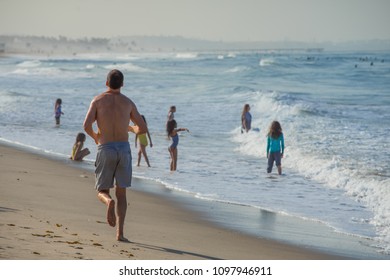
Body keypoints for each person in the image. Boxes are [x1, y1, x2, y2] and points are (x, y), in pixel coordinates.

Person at [83, 69, 147, 242]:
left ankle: (107, 201)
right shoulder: (128, 102)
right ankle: (120, 233)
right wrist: (132, 128)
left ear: (106, 83)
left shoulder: (97, 101)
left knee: (102, 190)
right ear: (122, 84)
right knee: (122, 194)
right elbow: (142, 128)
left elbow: (86, 125)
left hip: (106, 148)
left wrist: (96, 137)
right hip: (124, 149)